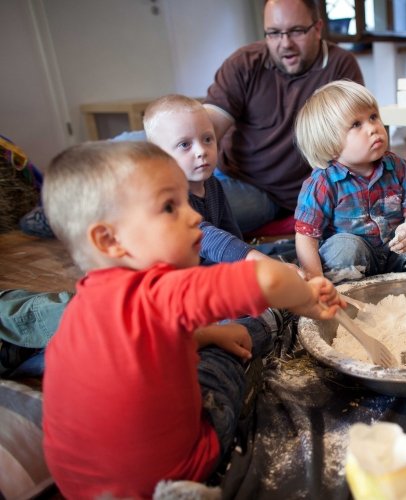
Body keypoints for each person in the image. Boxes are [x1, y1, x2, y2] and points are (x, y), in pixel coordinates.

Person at [40, 141, 342, 497]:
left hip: (79, 486)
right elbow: (273, 278)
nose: (195, 216)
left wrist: (208, 332)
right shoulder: (163, 289)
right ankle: (273, 325)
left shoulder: (84, 302)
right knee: (229, 359)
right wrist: (305, 300)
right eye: (170, 207)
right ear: (110, 240)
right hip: (173, 473)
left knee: (214, 339)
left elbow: (146, 345)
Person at [204, 0, 364, 233]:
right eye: (274, 33)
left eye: (296, 31)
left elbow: (352, 145)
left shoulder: (340, 66)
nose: (285, 44)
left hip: (272, 195)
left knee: (192, 216)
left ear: (318, 28)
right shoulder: (244, 63)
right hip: (230, 171)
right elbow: (208, 127)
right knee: (142, 147)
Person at [293, 80, 406, 283]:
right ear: (330, 144)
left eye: (373, 117)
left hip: (394, 255)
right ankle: (348, 294)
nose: (373, 128)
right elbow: (306, 236)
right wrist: (315, 278)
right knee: (345, 247)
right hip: (353, 264)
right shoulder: (322, 182)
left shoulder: (397, 166)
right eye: (356, 124)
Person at [143, 94, 278, 265]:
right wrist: (255, 260)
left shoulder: (213, 185)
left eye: (207, 139)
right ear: (159, 155)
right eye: (185, 144)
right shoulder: (168, 197)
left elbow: (230, 231)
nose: (201, 151)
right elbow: (202, 235)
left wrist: (246, 260)